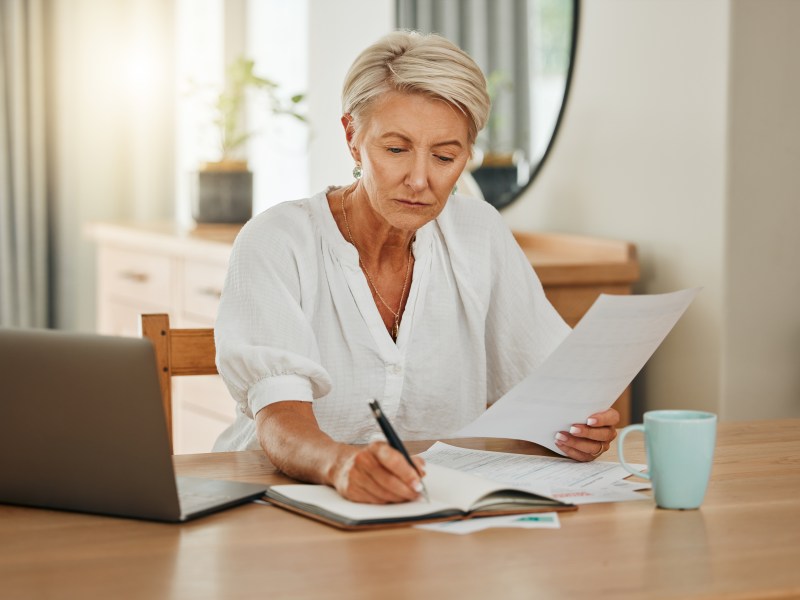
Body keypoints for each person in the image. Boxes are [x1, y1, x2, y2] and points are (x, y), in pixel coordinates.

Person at [213, 31, 619, 504]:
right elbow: (280, 418)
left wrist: (576, 426)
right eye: (396, 149)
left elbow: (554, 384)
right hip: (271, 501)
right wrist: (342, 465)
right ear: (352, 136)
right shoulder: (278, 240)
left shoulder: (478, 233)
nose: (420, 180)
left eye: (445, 157)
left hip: (429, 508)